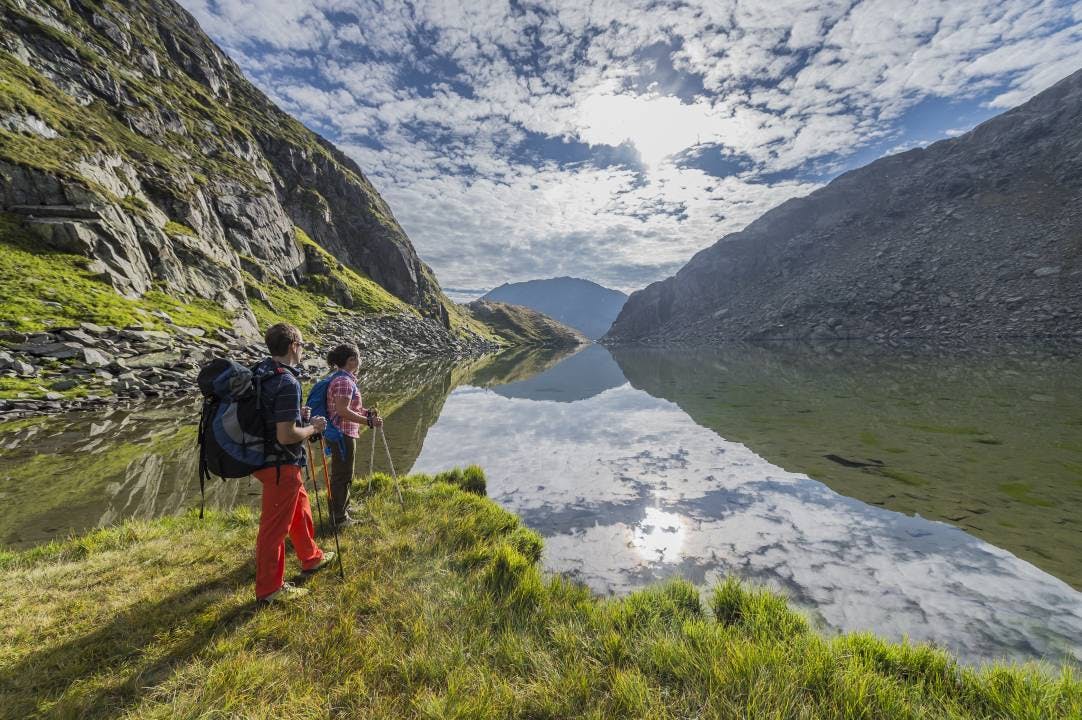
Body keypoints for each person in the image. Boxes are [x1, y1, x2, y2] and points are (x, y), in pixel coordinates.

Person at [252, 322, 335, 604]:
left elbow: (269, 414)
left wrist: (297, 414)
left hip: (266, 459)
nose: (302, 350)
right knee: (274, 528)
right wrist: (312, 427)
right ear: (292, 347)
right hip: (279, 464)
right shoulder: (287, 381)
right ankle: (269, 589)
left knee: (300, 508)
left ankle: (311, 557)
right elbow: (286, 435)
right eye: (301, 345)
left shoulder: (263, 372)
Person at [324, 343, 383, 526]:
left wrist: (367, 413)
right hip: (342, 434)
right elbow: (342, 410)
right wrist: (369, 422)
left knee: (344, 472)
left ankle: (343, 508)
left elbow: (351, 408)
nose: (360, 360)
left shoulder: (343, 379)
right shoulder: (344, 381)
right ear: (351, 360)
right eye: (358, 357)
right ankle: (339, 518)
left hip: (343, 432)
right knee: (342, 474)